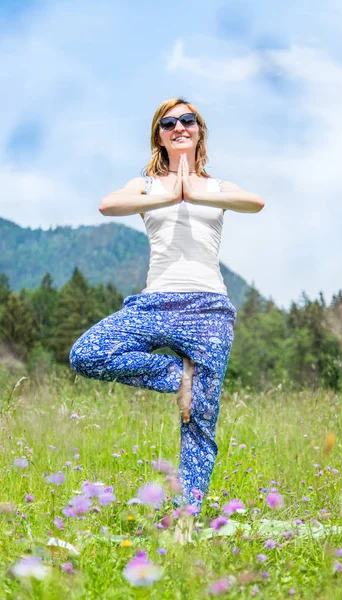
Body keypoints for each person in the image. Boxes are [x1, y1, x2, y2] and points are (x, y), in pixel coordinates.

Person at [69, 97, 264, 542]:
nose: (180, 127)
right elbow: (106, 206)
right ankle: (179, 377)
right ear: (159, 134)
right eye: (169, 122)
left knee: (199, 422)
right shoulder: (143, 186)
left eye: (188, 120)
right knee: (88, 353)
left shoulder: (215, 188)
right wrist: (169, 190)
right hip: (156, 301)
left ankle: (185, 523)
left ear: (199, 130)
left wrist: (192, 188)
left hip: (209, 309)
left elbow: (256, 202)